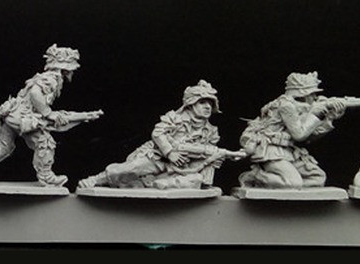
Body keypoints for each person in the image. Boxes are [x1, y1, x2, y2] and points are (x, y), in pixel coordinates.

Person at [79, 80, 244, 190]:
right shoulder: (174, 118)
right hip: (158, 157)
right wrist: (170, 152)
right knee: (130, 169)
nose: (207, 107)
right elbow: (158, 133)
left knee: (195, 181)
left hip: (184, 167)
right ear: (191, 104)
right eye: (202, 102)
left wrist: (221, 157)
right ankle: (96, 179)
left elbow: (208, 152)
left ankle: (159, 185)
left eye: (210, 103)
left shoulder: (211, 130)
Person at [0, 45, 85, 188]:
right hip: (23, 119)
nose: (72, 72)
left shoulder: (44, 77)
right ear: (64, 68)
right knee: (45, 142)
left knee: (4, 146)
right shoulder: (52, 78)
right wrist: (48, 113)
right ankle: (46, 176)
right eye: (71, 69)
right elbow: (35, 93)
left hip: (13, 115)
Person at [236, 71, 347, 189]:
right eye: (312, 93)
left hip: (288, 150)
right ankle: (255, 176)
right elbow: (299, 135)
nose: (315, 97)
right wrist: (316, 114)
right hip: (272, 151)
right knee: (292, 183)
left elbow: (309, 138)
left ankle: (291, 187)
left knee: (317, 178)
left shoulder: (300, 107)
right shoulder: (286, 106)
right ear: (303, 94)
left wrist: (329, 117)